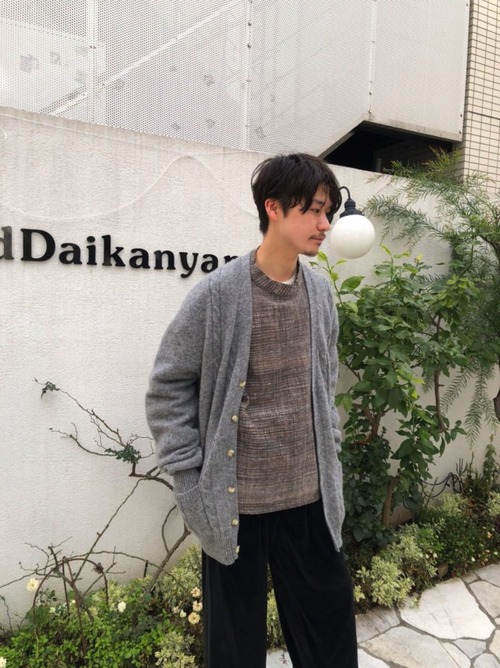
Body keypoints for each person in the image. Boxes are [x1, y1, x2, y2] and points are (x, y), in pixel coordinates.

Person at [145, 153, 358, 668]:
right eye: (313, 210)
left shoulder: (320, 293)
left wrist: (330, 449)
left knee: (329, 632)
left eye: (328, 212)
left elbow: (324, 381)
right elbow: (168, 385)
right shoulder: (217, 294)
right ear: (274, 208)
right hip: (236, 504)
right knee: (235, 647)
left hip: (310, 497)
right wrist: (189, 477)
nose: (325, 224)